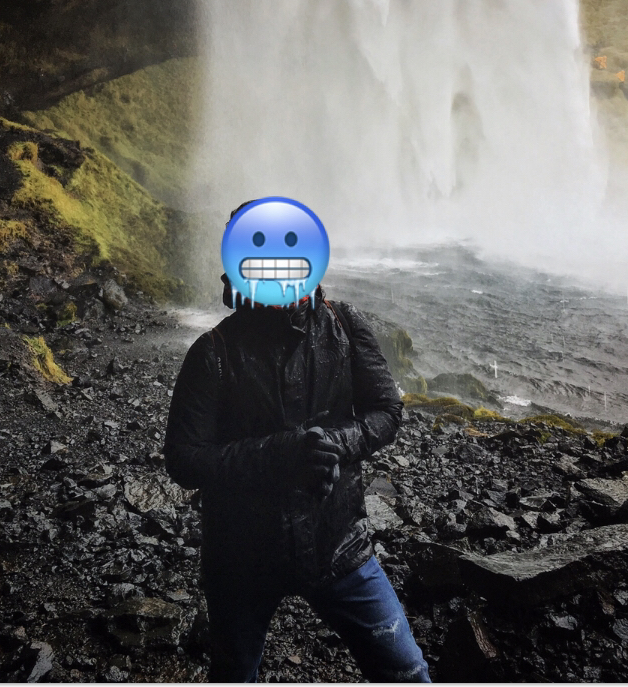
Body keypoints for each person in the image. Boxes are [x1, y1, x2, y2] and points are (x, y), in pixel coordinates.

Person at [163, 202, 430, 683]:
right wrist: (282, 453)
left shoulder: (345, 326)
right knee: (234, 675)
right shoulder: (213, 353)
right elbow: (183, 459)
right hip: (241, 558)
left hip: (338, 543)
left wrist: (334, 443)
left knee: (406, 672)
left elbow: (387, 410)